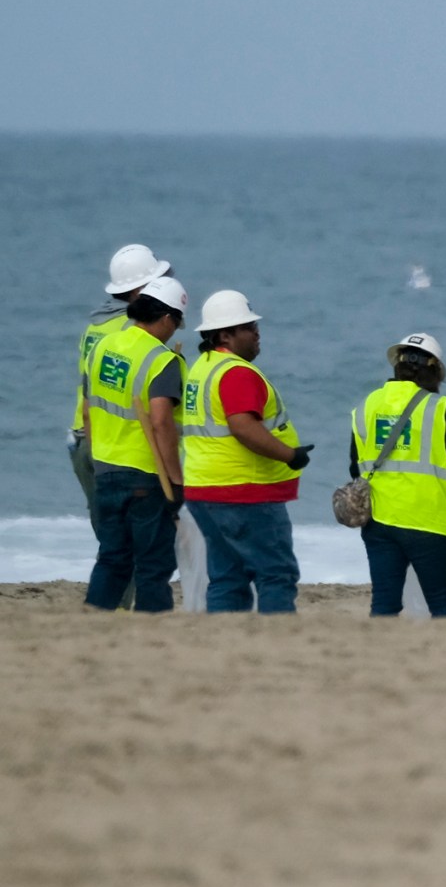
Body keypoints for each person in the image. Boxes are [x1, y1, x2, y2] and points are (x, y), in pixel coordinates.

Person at [178, 290, 309, 613]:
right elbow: (243, 426)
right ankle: (276, 646)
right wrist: (289, 455)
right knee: (276, 573)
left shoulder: (201, 368)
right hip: (244, 492)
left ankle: (226, 647)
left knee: (227, 576)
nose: (257, 333)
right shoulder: (236, 373)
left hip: (203, 489)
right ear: (226, 334)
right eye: (249, 327)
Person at [81, 276, 188, 613]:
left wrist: (99, 460)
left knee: (112, 559)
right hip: (146, 474)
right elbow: (161, 423)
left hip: (105, 467)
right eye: (177, 322)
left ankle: (92, 622)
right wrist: (176, 480)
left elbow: (87, 410)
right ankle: (151, 631)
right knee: (153, 565)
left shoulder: (103, 346)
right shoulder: (162, 360)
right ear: (167, 318)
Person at [350, 333, 446, 617]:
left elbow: (355, 466)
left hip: (379, 521)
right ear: (435, 371)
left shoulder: (367, 405)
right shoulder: (438, 408)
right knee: (442, 604)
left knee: (384, 604)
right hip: (427, 519)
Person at [73, 244, 169, 537]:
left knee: (110, 539)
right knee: (135, 542)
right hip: (115, 446)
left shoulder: (97, 325)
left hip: (84, 439)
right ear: (140, 290)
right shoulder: (134, 329)